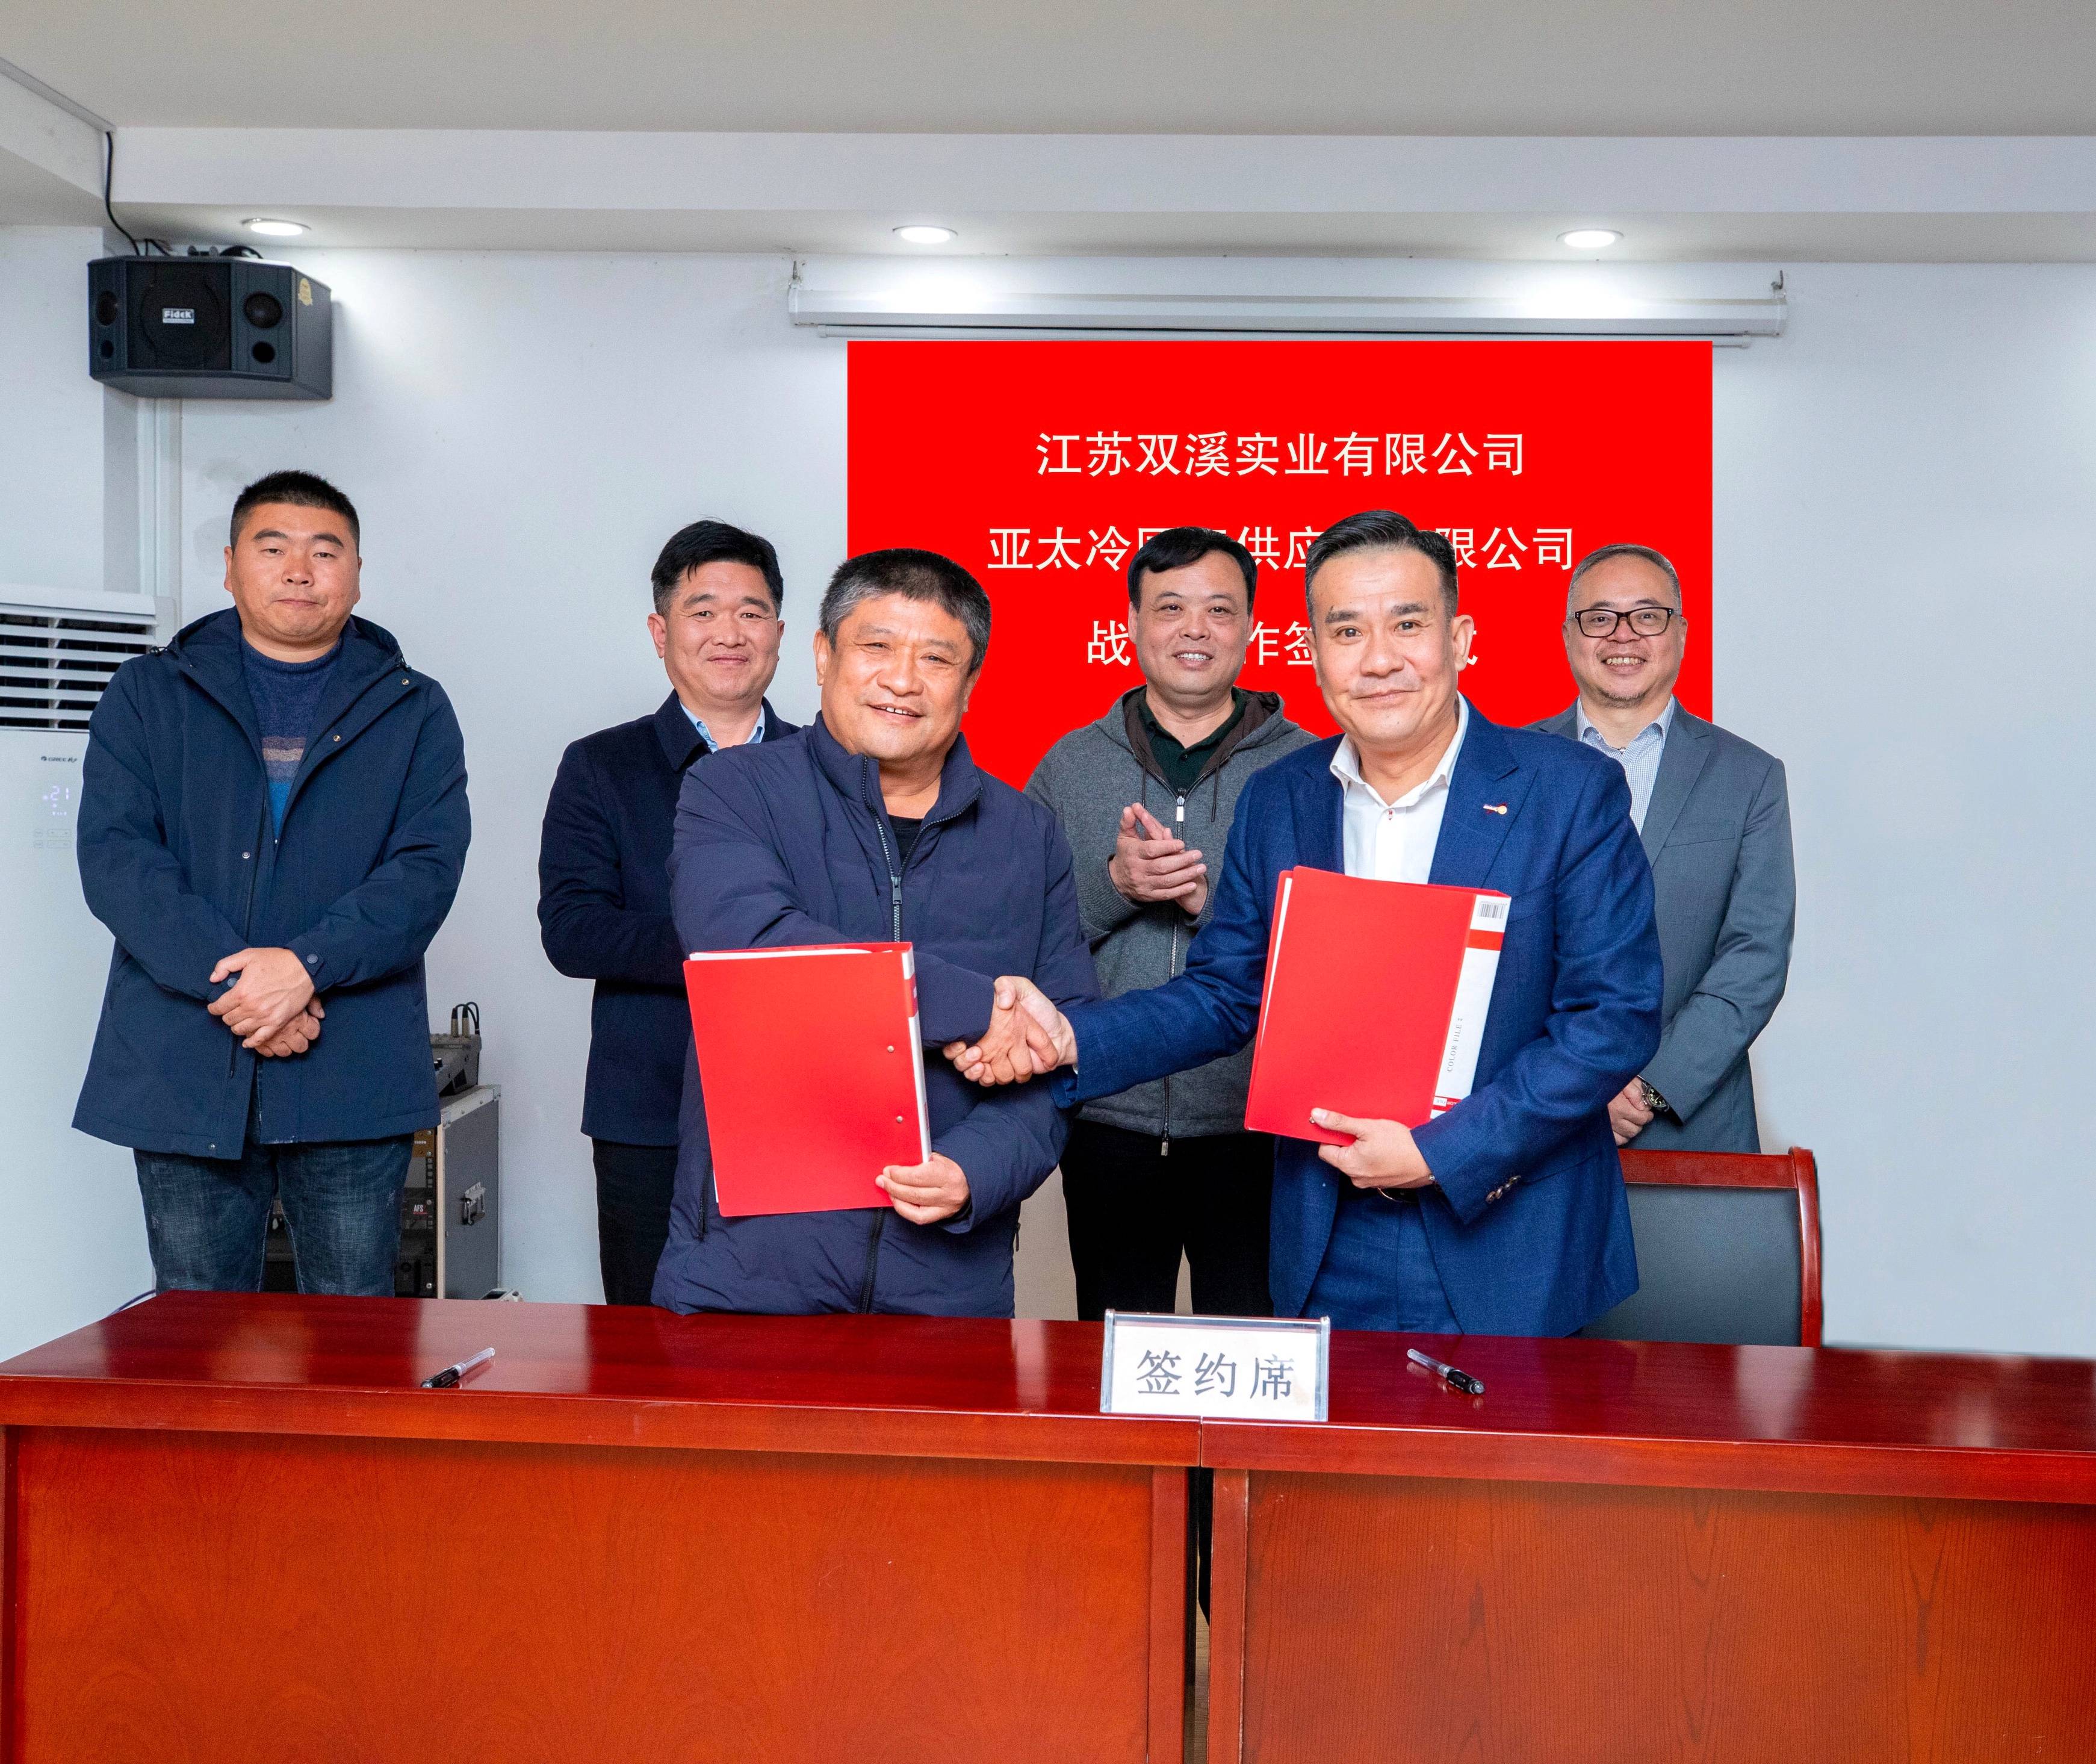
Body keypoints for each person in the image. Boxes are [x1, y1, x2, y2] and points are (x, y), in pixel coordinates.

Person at [952, 510, 1662, 1338]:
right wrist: (1070, 1039)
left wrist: (1449, 1150)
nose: (1380, 658)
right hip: (1324, 1224)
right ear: (1313, 652)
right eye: (1347, 629)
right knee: (1319, 1468)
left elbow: (1611, 1017)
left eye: (1408, 623)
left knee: (1499, 1472)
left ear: (1461, 636)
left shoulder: (1569, 791)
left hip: (1508, 1232)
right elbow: (1224, 995)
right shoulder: (1281, 798)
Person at [650, 548, 1097, 1317]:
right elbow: (756, 953)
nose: (902, 679)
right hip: (748, 1268)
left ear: (970, 682)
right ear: (823, 656)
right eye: (877, 647)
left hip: (948, 1282)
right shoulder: (731, 790)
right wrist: (980, 1004)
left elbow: (1061, 1044)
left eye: (936, 657)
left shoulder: (1028, 836)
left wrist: (975, 1170)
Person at [73, 470, 470, 1295]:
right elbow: (118, 859)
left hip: (349, 1071)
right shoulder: (148, 694)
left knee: (353, 1340)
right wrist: (244, 982)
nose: (300, 569)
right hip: (186, 1065)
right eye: (274, 546)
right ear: (229, 566)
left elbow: (424, 872)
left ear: (357, 571)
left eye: (325, 551)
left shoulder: (414, 708)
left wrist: (303, 968)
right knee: (196, 1338)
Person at [1025, 527, 1313, 1319]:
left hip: (1261, 1126)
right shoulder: (1067, 765)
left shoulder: (1310, 771)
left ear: (1253, 627)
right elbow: (1023, 938)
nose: (1196, 629)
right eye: (1171, 608)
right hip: (1106, 1117)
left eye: (1220, 609)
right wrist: (1117, 882)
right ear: (1130, 623)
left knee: (1260, 1361)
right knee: (1116, 1359)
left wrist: (1208, 902)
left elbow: (1336, 957)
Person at [538, 520, 798, 1305]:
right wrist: (723, 947)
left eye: (751, 612)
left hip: (801, 1108)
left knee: (797, 1348)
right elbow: (572, 928)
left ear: (780, 634)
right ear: (661, 631)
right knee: (650, 1348)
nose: (730, 632)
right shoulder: (601, 765)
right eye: (703, 610)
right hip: (648, 1112)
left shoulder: (826, 767)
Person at [1534, 544, 1794, 1152]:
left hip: (1690, 1123)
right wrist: (1564, 1087)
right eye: (1598, 617)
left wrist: (1648, 1089)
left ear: (1679, 631)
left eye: (1646, 615)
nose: (1621, 635)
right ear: (1570, 635)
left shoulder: (1749, 776)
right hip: (1532, 1120)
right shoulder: (1507, 768)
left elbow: (1753, 958)